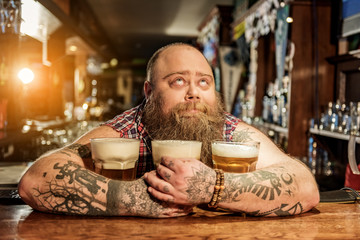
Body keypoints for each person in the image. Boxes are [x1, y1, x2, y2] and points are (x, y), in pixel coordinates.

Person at [18, 42, 319, 218]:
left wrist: (211, 188)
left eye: (204, 82)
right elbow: (34, 181)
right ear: (149, 91)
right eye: (178, 81)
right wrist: (132, 198)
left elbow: (306, 187)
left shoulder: (228, 130)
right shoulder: (128, 128)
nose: (194, 93)